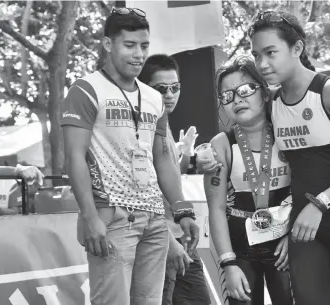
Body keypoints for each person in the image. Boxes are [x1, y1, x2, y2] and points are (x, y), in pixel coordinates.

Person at [60, 8, 199, 305]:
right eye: (130, 45)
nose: (139, 54)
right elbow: (74, 157)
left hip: (154, 220)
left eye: (144, 46)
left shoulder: (153, 97)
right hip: (113, 217)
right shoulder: (85, 90)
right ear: (108, 45)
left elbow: (162, 158)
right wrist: (90, 216)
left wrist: (182, 209)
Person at [246, 11, 330, 305]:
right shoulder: (272, 102)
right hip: (304, 229)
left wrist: (320, 203)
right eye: (256, 55)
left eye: (271, 53)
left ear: (297, 49)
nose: (262, 64)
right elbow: (238, 131)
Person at [203, 56, 293, 305]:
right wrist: (228, 263)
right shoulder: (220, 144)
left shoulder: (287, 132)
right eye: (227, 95)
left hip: (284, 246)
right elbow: (217, 209)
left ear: (264, 93)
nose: (237, 99)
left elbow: (307, 187)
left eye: (244, 90)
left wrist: (293, 237)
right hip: (240, 249)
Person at [139, 54, 211, 305]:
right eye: (161, 88)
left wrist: (184, 214)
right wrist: (167, 240)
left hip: (178, 237)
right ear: (144, 88)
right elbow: (139, 191)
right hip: (157, 241)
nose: (170, 94)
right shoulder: (138, 130)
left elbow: (168, 179)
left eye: (175, 87)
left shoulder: (162, 123)